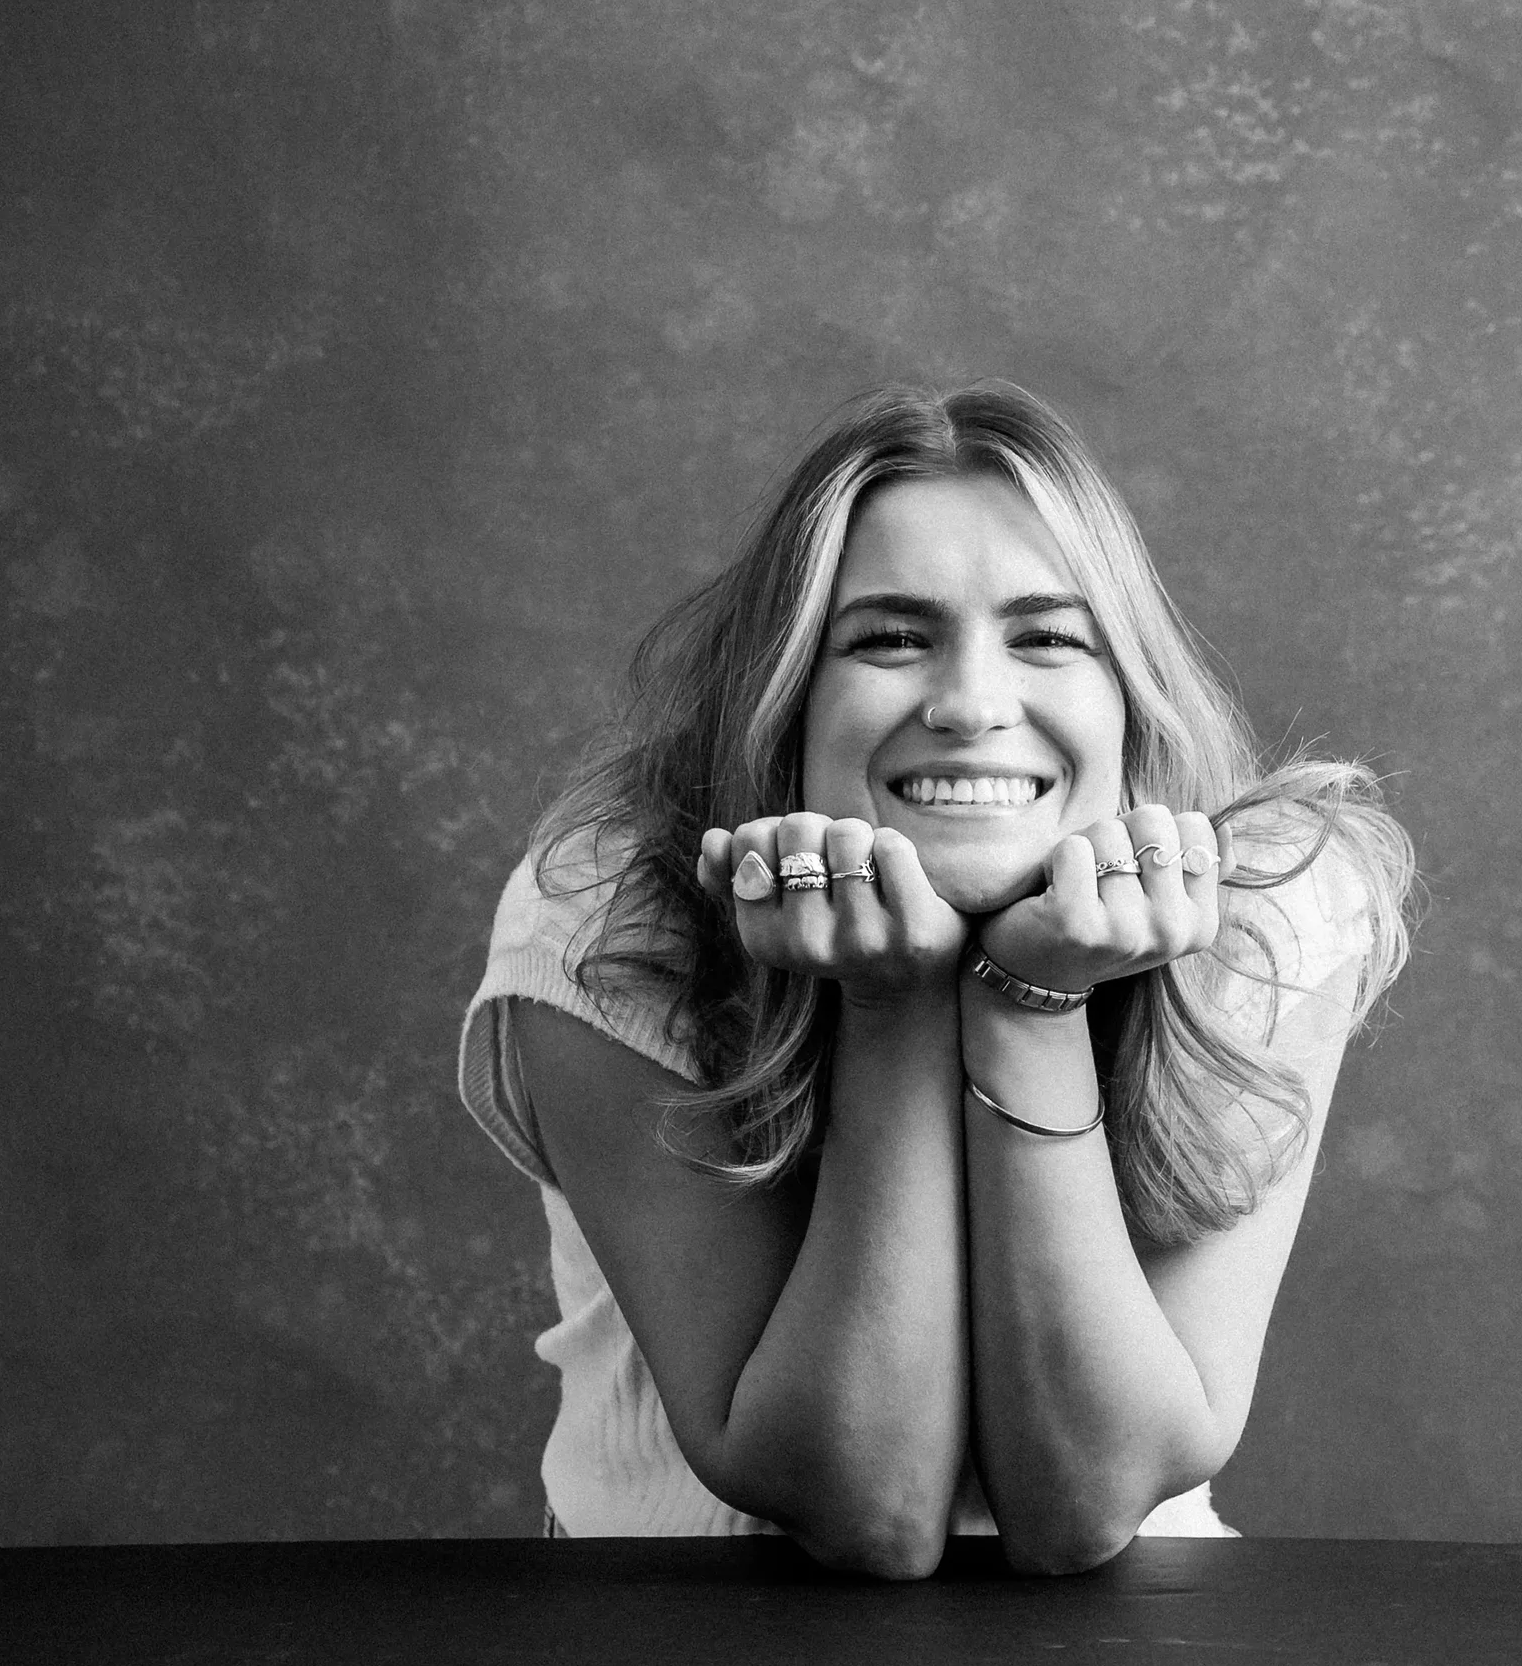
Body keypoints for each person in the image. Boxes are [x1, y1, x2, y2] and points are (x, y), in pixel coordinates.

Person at [456, 382, 1413, 1578]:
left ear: (1128, 694)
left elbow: (1085, 1504)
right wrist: (895, 1000)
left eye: (1048, 637)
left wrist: (1029, 1002)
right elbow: (870, 1507)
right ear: (790, 692)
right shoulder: (614, 906)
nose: (969, 705)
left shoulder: (1268, 906)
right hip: (676, 1621)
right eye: (890, 638)